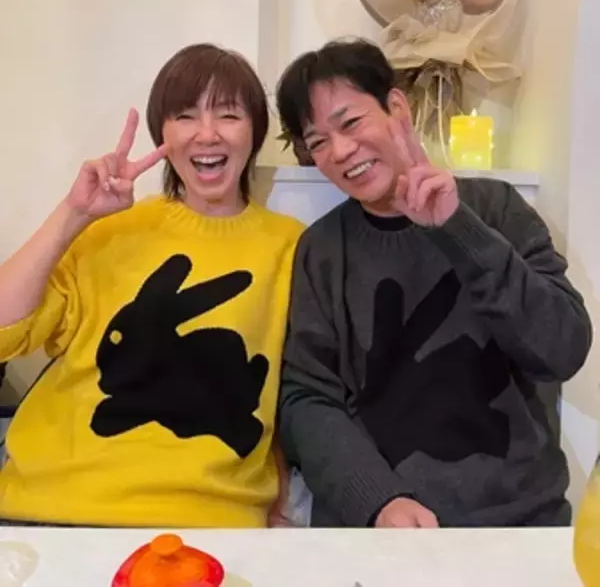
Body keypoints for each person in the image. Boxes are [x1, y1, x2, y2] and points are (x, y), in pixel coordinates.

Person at [275, 38, 592, 529]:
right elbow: (306, 400)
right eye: (318, 142)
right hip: (375, 532)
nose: (340, 151)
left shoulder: (496, 209)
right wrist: (378, 501)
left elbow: (562, 348)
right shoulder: (322, 250)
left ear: (396, 108)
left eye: (351, 122)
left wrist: (457, 227)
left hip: (515, 521)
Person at [0, 43, 304, 528]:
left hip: (209, 521)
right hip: (52, 509)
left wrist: (277, 502)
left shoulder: (292, 248)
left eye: (228, 115)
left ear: (255, 131)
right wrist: (73, 214)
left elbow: (293, 391)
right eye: (185, 116)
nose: (207, 133)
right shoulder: (108, 232)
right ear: (163, 133)